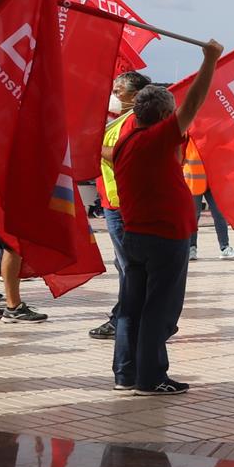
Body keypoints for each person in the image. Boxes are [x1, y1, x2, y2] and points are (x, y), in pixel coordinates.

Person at [112, 38, 221, 395]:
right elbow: (194, 103)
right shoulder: (156, 139)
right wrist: (210, 60)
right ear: (162, 117)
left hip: (137, 235)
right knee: (159, 309)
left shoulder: (125, 142)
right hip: (164, 237)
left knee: (132, 308)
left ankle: (126, 374)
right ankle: (151, 377)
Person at [92, 71, 150, 342]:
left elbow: (125, 156)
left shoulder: (136, 121)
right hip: (113, 202)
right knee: (125, 265)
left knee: (130, 266)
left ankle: (126, 319)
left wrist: (95, 147)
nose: (113, 96)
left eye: (119, 92)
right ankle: (126, 316)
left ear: (135, 96)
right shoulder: (116, 122)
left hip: (124, 204)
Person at [180, 139, 234, 260]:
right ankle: (191, 248)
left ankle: (225, 248)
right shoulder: (188, 130)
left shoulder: (211, 128)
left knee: (219, 213)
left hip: (212, 181)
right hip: (194, 181)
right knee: (193, 216)